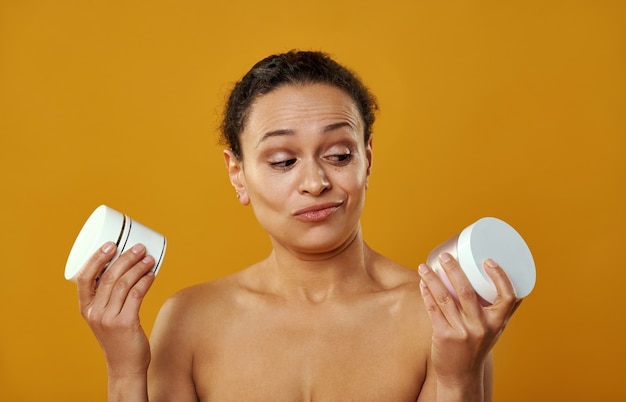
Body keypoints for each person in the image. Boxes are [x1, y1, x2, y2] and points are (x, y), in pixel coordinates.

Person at [76, 50, 521, 402]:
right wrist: (124, 371)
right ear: (238, 173)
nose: (315, 182)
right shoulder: (190, 321)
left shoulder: (439, 320)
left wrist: (461, 378)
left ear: (368, 159)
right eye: (283, 161)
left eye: (340, 155)